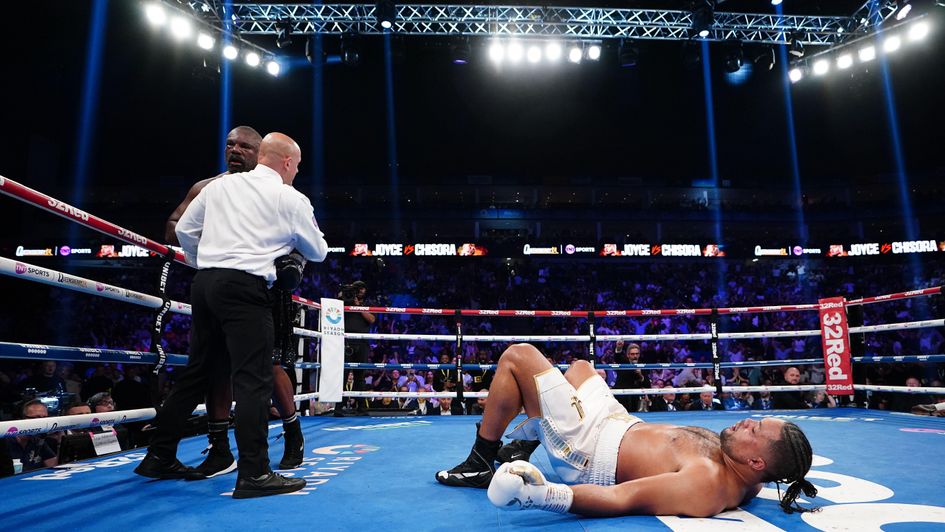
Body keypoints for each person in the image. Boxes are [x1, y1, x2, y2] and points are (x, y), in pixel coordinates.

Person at [135, 132, 328, 499]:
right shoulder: (290, 197)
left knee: (197, 373)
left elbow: (186, 230)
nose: (297, 172)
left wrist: (209, 260)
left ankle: (159, 456)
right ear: (287, 163)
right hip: (245, 289)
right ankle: (254, 474)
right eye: (297, 166)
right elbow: (317, 250)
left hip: (205, 284)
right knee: (252, 379)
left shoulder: (218, 188)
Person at [437, 343, 817, 518]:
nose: (749, 421)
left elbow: (620, 498)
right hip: (618, 423)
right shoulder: (756, 474)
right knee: (582, 367)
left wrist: (542, 494)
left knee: (519, 357)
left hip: (587, 452)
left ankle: (480, 462)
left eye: (757, 430)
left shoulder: (707, 484)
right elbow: (779, 468)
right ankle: (530, 435)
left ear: (754, 459)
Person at [164, 125, 306, 476]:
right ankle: (220, 449)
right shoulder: (208, 188)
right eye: (230, 144)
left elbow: (298, 236)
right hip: (221, 281)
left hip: (263, 284)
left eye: (244, 146)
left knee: (269, 367)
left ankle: (292, 434)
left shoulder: (277, 188)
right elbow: (175, 226)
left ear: (260, 155)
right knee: (217, 369)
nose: (236, 150)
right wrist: (208, 249)